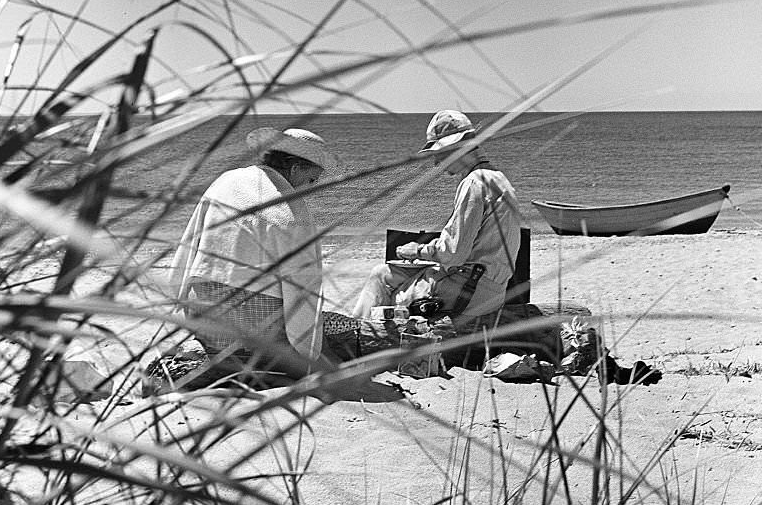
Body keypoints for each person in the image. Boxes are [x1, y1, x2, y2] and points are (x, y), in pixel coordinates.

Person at [166, 125, 356, 376]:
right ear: (296, 168)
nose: (310, 188)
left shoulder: (226, 181)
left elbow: (189, 244)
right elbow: (303, 290)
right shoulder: (290, 212)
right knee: (335, 328)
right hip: (254, 339)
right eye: (311, 180)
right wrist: (310, 352)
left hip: (204, 323)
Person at [353, 110, 522, 331]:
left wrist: (418, 251)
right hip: (489, 287)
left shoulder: (473, 184)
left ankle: (357, 337)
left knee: (382, 282)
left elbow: (453, 254)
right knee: (384, 273)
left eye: (439, 154)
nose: (436, 162)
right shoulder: (497, 178)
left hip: (468, 292)